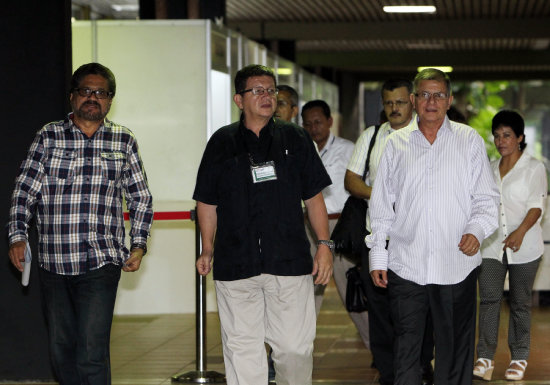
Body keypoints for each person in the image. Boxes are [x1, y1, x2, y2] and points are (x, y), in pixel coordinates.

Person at [8, 62, 153, 384]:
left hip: (101, 262)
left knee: (91, 350)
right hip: (53, 263)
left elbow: (140, 197)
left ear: (110, 100)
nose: (93, 98)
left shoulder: (123, 140)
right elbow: (23, 192)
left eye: (100, 92)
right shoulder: (49, 136)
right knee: (61, 348)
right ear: (72, 97)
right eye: (86, 91)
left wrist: (139, 243)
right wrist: (18, 237)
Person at [193, 64, 333, 385]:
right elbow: (206, 200)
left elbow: (314, 198)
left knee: (295, 350)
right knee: (243, 352)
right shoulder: (221, 142)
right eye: (257, 91)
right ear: (239, 100)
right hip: (235, 264)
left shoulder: (296, 138)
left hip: (289, 262)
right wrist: (207, 248)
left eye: (271, 90)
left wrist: (324, 245)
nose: (266, 96)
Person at [366, 68, 500, 385]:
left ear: (449, 100)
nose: (431, 101)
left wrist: (476, 231)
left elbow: (486, 200)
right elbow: (381, 206)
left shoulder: (469, 142)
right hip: (406, 265)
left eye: (438, 94)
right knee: (407, 351)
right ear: (413, 100)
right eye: (424, 94)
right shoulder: (395, 145)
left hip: (457, 265)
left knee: (455, 354)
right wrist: (378, 257)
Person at [346, 79, 434, 385]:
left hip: (415, 239)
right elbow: (351, 180)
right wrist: (380, 194)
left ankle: (421, 365)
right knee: (381, 308)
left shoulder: (425, 136)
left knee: (420, 307)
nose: (394, 109)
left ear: (411, 101)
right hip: (377, 237)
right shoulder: (372, 136)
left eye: (399, 102)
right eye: (388, 103)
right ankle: (389, 371)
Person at [473, 110, 547, 381]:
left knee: (519, 303)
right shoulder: (489, 168)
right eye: (497, 136)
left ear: (520, 138)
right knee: (489, 300)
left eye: (507, 135)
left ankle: (519, 357)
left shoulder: (534, 167)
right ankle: (485, 357)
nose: (501, 141)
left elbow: (537, 207)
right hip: (492, 247)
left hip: (525, 248)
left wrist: (520, 232)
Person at [301, 99, 369, 344]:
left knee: (352, 289)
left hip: (340, 228)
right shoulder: (300, 149)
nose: (313, 128)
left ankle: (379, 352)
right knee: (307, 292)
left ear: (330, 121)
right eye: (307, 123)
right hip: (308, 227)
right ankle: (297, 350)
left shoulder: (348, 149)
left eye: (318, 122)